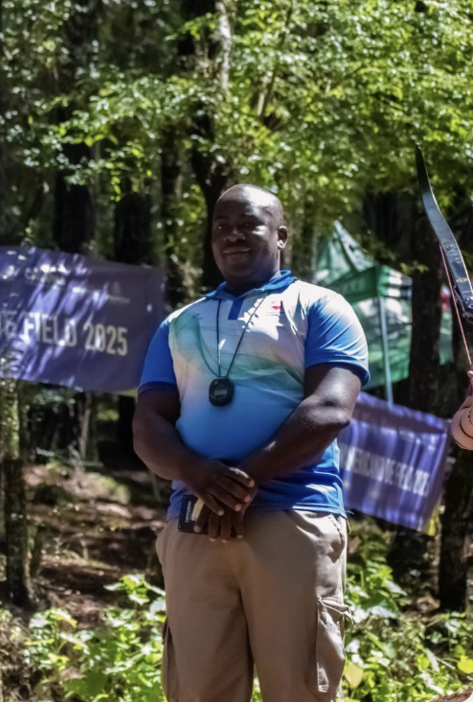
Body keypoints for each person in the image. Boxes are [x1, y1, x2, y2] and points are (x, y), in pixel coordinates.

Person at [133, 184, 368, 702]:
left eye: (249, 224)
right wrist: (199, 477)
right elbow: (148, 423)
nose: (233, 234)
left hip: (292, 517)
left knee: (300, 688)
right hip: (195, 521)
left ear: (281, 234)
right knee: (198, 690)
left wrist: (239, 482)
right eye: (221, 226)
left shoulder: (320, 307)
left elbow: (330, 407)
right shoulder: (178, 324)